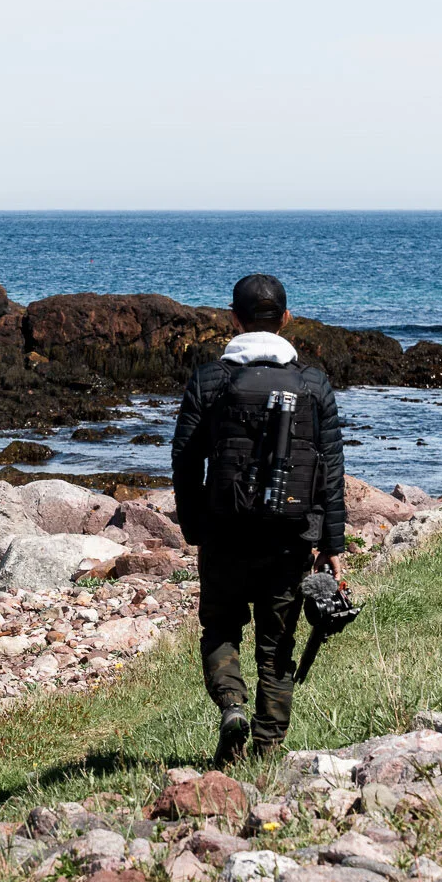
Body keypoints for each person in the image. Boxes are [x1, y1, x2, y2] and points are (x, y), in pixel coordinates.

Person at [171, 273, 347, 765]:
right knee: (278, 646)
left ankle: (232, 706)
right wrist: (333, 544)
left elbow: (185, 460)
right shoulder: (313, 384)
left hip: (224, 534)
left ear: (234, 319)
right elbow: (331, 469)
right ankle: (267, 751)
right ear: (285, 319)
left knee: (220, 630)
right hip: (290, 538)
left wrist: (194, 527)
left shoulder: (210, 380)